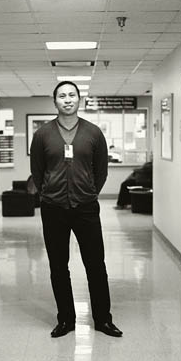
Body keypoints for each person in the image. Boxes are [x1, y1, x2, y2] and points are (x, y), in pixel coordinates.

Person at [30, 81, 123, 338]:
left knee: (96, 265)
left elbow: (101, 171)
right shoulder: (43, 135)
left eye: (72, 95)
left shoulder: (93, 133)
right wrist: (49, 193)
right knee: (58, 267)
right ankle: (66, 320)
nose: (67, 99)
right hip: (53, 209)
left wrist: (89, 192)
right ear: (55, 101)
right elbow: (37, 171)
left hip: (86, 208)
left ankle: (103, 320)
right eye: (62, 95)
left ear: (79, 99)